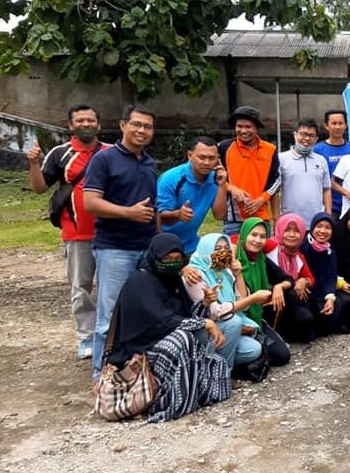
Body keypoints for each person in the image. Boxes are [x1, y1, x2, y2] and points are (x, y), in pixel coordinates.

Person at [106, 234, 230, 423]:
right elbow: (162, 320)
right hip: (142, 347)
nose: (172, 263)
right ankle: (171, 403)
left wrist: (204, 303)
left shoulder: (173, 280)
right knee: (183, 339)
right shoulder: (140, 281)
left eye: (177, 259)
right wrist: (206, 323)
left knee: (217, 362)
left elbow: (185, 316)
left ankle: (191, 396)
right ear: (155, 257)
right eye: (167, 259)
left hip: (168, 339)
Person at [83, 104, 158, 379]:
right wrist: (128, 213)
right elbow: (90, 202)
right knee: (109, 315)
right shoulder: (104, 160)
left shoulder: (149, 164)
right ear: (123, 125)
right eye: (136, 124)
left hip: (146, 247)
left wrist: (157, 242)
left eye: (147, 126)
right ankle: (100, 376)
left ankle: (135, 372)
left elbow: (153, 209)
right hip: (114, 248)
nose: (142, 130)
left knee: (143, 311)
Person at [25, 104, 106, 359]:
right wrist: (34, 163)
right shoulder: (61, 153)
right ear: (71, 125)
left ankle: (111, 334)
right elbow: (40, 188)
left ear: (98, 124)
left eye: (90, 120)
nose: (85, 124)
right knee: (81, 287)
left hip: (110, 233)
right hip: (77, 232)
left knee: (112, 287)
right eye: (80, 120)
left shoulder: (111, 152)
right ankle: (87, 337)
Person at [184, 234, 268, 370]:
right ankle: (223, 371)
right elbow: (215, 312)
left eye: (226, 248)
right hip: (204, 328)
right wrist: (252, 299)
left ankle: (211, 363)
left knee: (253, 349)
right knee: (234, 322)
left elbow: (244, 305)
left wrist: (238, 274)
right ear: (206, 250)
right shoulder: (195, 275)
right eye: (217, 249)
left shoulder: (224, 271)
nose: (223, 253)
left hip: (225, 326)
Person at [234, 217, 306, 364]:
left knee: (282, 356)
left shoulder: (260, 259)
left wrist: (279, 287)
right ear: (244, 235)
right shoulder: (233, 259)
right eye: (253, 235)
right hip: (236, 317)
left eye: (262, 236)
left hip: (256, 316)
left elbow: (288, 279)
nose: (257, 240)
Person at [157, 136, 228, 254]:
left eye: (212, 158)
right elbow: (159, 217)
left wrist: (222, 185)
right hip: (165, 245)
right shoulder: (171, 178)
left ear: (218, 159)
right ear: (190, 156)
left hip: (191, 244)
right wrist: (178, 214)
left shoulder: (216, 179)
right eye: (202, 157)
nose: (206, 163)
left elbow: (219, 215)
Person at [218, 106, 280, 235]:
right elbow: (214, 175)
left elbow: (277, 180)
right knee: (233, 248)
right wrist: (231, 188)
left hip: (261, 217)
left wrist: (262, 199)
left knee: (260, 248)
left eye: (248, 127)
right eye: (239, 126)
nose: (243, 130)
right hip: (233, 219)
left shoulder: (270, 150)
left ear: (257, 128)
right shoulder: (224, 148)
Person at [300, 213, 347, 336]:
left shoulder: (331, 252)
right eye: (319, 226)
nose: (323, 231)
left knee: (336, 306)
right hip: (305, 293)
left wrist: (329, 298)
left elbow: (330, 278)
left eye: (327, 227)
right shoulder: (302, 247)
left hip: (321, 295)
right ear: (312, 227)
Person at [278, 118, 333, 223]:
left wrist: (328, 213)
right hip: (290, 221)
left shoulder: (321, 160)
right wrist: (277, 218)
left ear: (316, 139)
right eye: (303, 134)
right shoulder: (281, 159)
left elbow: (326, 189)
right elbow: (275, 192)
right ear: (295, 135)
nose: (307, 138)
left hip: (316, 221)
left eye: (311, 136)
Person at [264, 214, 316, 322]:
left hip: (287, 300)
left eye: (297, 231)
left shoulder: (298, 256)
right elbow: (240, 240)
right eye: (287, 230)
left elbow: (311, 279)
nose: (292, 235)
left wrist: (303, 281)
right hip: (266, 296)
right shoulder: (270, 246)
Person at [314, 110, 350, 216]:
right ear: (326, 126)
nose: (338, 127)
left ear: (346, 125)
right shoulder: (318, 149)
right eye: (334, 123)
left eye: (340, 123)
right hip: (329, 206)